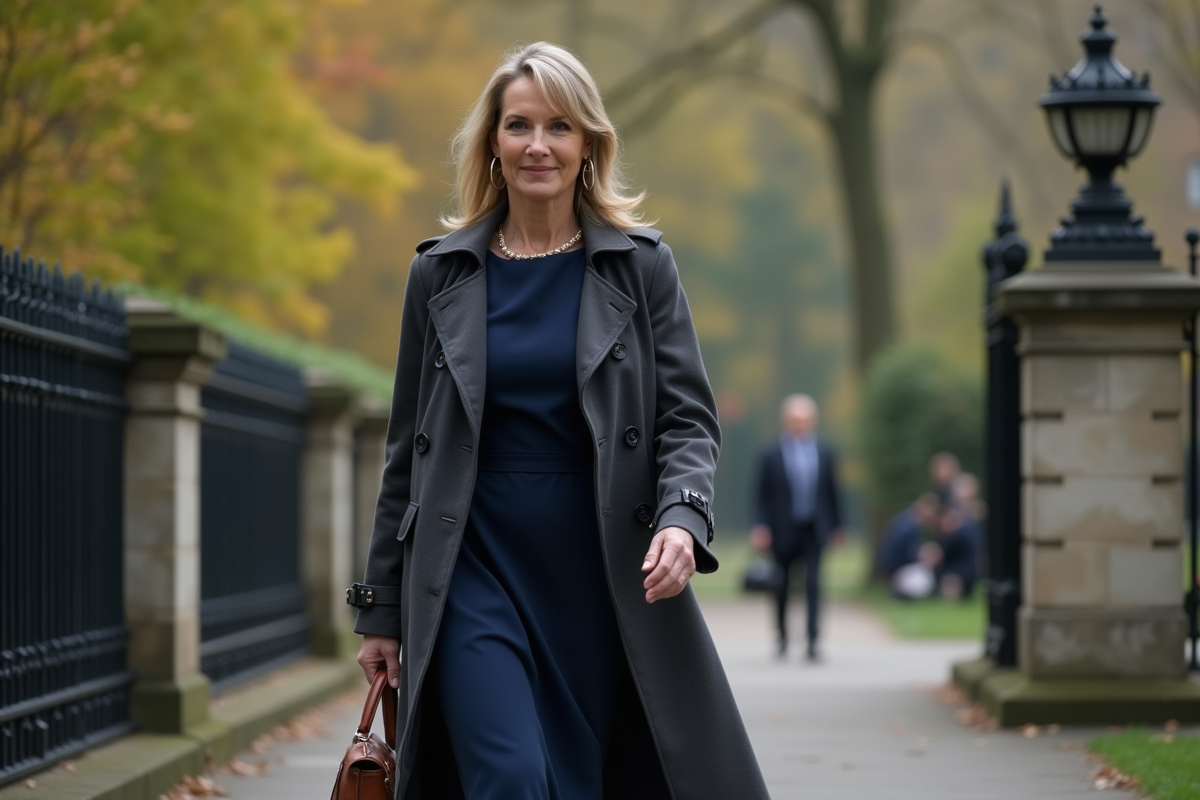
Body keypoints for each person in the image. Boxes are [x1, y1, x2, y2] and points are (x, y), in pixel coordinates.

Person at [347, 42, 769, 800]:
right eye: (518, 126)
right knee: (507, 777)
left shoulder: (641, 268)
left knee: (580, 781)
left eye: (559, 127)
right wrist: (380, 608)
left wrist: (682, 519)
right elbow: (406, 452)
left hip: (604, 569)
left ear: (588, 146)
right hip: (473, 563)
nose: (537, 145)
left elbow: (688, 419)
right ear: (492, 145)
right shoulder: (438, 274)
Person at [750, 394, 844, 661]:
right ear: (785, 421)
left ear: (812, 421)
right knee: (781, 586)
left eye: (803, 420)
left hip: (814, 529)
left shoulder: (825, 451)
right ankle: (782, 638)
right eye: (794, 420)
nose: (798, 425)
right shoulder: (770, 453)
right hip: (782, 529)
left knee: (814, 585)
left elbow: (832, 491)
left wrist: (838, 526)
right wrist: (760, 526)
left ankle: (813, 639)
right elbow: (760, 494)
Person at [878, 492, 940, 596]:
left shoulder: (907, 520)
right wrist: (923, 557)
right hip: (896, 570)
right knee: (925, 576)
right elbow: (904, 553)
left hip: (893, 568)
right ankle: (900, 592)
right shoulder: (909, 526)